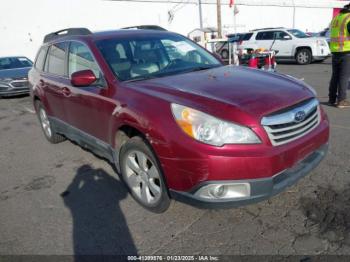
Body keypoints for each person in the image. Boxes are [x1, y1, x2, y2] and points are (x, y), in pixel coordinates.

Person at [329, 3, 350, 108]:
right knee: (344, 77)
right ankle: (341, 101)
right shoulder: (348, 18)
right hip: (346, 51)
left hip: (335, 51)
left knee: (335, 76)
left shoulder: (336, 18)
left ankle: (331, 99)